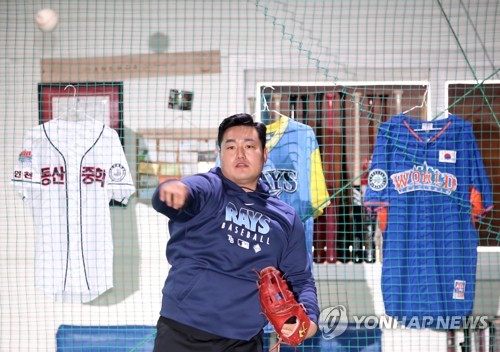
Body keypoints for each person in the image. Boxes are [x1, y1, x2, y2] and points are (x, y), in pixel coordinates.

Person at [152, 113, 319, 352]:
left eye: (249, 146)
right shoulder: (209, 188)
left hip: (245, 341)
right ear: (219, 154)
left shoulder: (286, 217)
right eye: (231, 147)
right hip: (182, 333)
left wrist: (310, 319)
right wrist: (171, 191)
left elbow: (301, 279)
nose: (239, 154)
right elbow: (179, 193)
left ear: (264, 154)